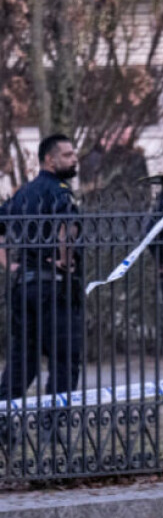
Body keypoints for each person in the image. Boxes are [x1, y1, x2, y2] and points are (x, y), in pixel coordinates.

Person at [0, 134, 83, 401]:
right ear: (50, 159)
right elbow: (66, 228)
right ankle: (55, 423)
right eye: (68, 155)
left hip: (25, 286)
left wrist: (8, 265)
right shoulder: (60, 191)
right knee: (65, 359)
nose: (74, 159)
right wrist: (66, 260)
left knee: (23, 362)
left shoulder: (24, 192)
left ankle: (3, 418)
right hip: (54, 288)